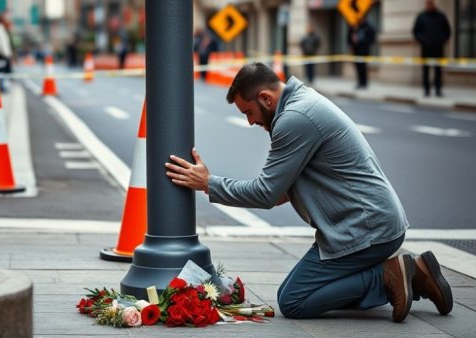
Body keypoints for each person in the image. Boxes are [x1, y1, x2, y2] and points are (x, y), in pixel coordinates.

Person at [165, 62, 453, 322]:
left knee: (294, 301)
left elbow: (266, 194)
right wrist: (219, 186)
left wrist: (208, 183)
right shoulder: (302, 103)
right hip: (371, 223)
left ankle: (386, 277)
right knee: (323, 289)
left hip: (366, 230)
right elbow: (279, 193)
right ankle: (416, 277)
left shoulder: (295, 119)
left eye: (248, 112)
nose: (250, 122)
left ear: (265, 98)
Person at [413, 0, 451, 97]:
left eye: (431, 4)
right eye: (428, 4)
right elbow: (415, 32)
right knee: (426, 71)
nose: (429, 6)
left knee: (438, 70)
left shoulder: (441, 16)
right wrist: (423, 41)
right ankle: (427, 90)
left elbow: (447, 31)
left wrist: (441, 41)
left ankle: (438, 90)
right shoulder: (421, 17)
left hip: (438, 48)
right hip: (426, 48)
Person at [347, 18, 375, 89]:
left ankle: (364, 83)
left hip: (364, 52)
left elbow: (372, 39)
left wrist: (360, 41)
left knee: (363, 68)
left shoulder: (368, 28)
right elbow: (349, 39)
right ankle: (360, 82)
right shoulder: (355, 28)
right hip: (356, 52)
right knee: (358, 68)